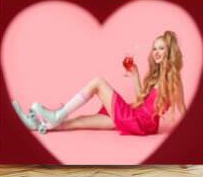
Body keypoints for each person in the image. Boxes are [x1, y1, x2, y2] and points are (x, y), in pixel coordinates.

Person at [12, 30, 186, 135]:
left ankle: (58, 114)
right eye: (154, 48)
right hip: (135, 116)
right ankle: (39, 125)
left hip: (137, 122)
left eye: (161, 48)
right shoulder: (155, 75)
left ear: (169, 51)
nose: (156, 52)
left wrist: (192, 140)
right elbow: (142, 99)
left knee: (98, 82)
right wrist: (135, 76)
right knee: (78, 121)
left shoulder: (173, 80)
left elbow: (182, 109)